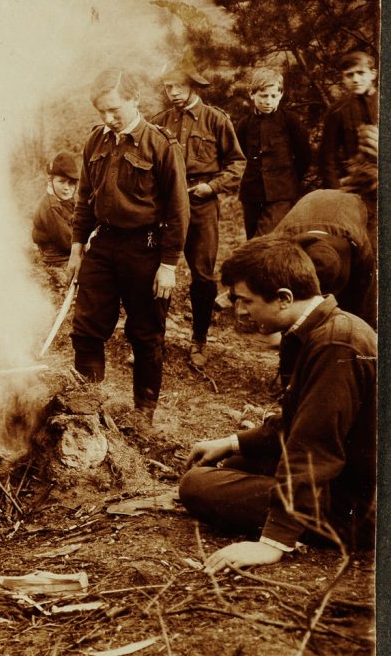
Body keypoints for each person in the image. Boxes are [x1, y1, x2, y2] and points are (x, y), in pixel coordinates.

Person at [179, 238, 375, 572]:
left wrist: (273, 542)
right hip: (344, 474)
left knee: (197, 485)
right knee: (236, 460)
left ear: (284, 298)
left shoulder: (335, 344)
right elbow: (297, 419)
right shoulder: (314, 331)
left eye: (245, 300)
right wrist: (232, 442)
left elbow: (314, 447)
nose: (240, 311)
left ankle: (306, 525)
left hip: (360, 502)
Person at [66, 68, 190, 424]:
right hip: (103, 245)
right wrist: (77, 248)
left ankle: (142, 415)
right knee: (86, 329)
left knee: (146, 334)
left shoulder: (161, 145)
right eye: (101, 111)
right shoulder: (95, 141)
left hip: (146, 248)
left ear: (135, 99)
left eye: (114, 109)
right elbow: (83, 198)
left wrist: (169, 265)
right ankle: (86, 413)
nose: (108, 118)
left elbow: (179, 210)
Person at [151, 55, 246, 368]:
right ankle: (155, 338)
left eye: (178, 86)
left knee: (203, 276)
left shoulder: (215, 119)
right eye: (168, 87)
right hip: (165, 206)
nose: (173, 92)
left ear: (192, 86)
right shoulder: (160, 121)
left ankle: (199, 340)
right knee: (157, 269)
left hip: (202, 203)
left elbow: (237, 163)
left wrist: (214, 187)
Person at [270, 189, 376, 329]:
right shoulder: (278, 245)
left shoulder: (359, 245)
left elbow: (366, 292)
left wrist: (365, 329)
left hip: (349, 206)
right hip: (309, 203)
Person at [235, 67, 313, 238]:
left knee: (264, 240)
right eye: (263, 96)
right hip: (252, 194)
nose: (268, 101)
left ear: (281, 95)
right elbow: (238, 157)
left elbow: (304, 156)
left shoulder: (290, 120)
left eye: (273, 96)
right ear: (251, 94)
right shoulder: (244, 125)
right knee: (252, 238)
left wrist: (288, 180)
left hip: (281, 194)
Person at [320, 51, 379, 237]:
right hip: (355, 190)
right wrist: (336, 194)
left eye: (360, 73)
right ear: (343, 78)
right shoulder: (337, 110)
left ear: (373, 74)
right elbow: (326, 157)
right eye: (349, 75)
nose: (355, 79)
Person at [31, 152, 80, 285]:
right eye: (62, 182)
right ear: (50, 181)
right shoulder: (50, 206)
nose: (67, 188)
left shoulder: (66, 200)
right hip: (57, 260)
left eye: (71, 183)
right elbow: (67, 241)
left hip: (67, 254)